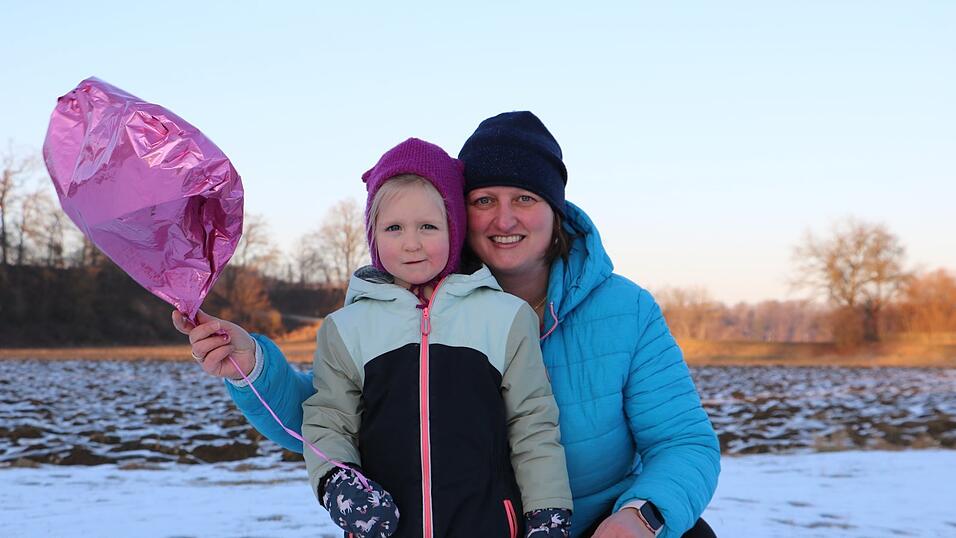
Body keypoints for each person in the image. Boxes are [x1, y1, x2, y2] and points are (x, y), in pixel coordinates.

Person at [174, 112, 720, 538]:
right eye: (484, 200)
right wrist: (253, 367)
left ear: (555, 211)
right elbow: (327, 420)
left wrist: (640, 516)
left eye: (525, 198)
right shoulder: (404, 309)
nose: (504, 218)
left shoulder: (626, 310)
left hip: (589, 526)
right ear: (459, 215)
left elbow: (684, 442)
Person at [180, 137, 573, 538]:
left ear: (454, 229)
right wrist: (335, 478)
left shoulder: (505, 318)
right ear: (373, 235)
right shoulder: (346, 328)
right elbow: (329, 419)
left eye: (428, 226)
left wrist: (548, 511)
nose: (411, 242)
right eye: (393, 227)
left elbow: (532, 426)